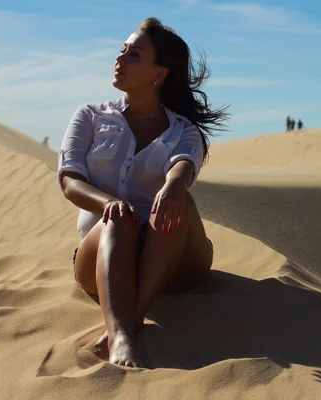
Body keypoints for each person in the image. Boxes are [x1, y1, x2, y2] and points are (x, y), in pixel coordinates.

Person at [57, 17, 228, 368]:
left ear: (159, 73)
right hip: (101, 258)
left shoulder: (183, 130)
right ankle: (122, 331)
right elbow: (69, 180)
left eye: (134, 54)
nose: (119, 59)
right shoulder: (89, 116)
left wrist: (174, 184)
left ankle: (129, 318)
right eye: (121, 51)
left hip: (174, 261)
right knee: (116, 219)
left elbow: (183, 165)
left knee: (180, 199)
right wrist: (110, 204)